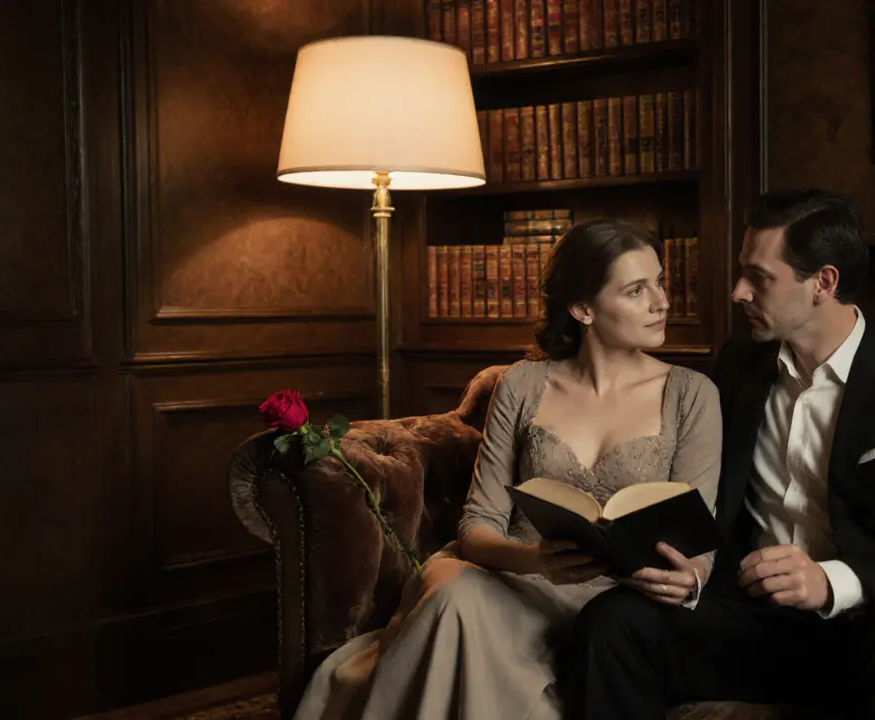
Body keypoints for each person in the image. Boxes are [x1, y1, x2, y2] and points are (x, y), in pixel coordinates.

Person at [565, 189, 875, 719]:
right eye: (741, 272)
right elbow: (697, 493)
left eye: (759, 278)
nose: (738, 291)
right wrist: (685, 570)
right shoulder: (737, 370)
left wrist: (832, 581)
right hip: (758, 623)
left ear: (824, 283)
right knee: (614, 621)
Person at [291, 218, 722, 720]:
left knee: (465, 604)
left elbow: (699, 536)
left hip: (613, 607)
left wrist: (690, 576)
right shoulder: (521, 385)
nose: (661, 301)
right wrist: (539, 560)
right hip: (507, 578)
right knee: (455, 594)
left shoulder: (693, 393)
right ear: (583, 309)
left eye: (661, 282)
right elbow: (475, 528)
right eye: (636, 290)